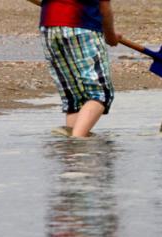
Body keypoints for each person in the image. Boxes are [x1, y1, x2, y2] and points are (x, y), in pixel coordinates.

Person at [40, 0, 120, 137]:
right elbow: (104, 7)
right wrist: (110, 36)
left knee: (73, 96)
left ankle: (72, 147)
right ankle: (77, 140)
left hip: (49, 28)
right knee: (100, 93)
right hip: (81, 27)